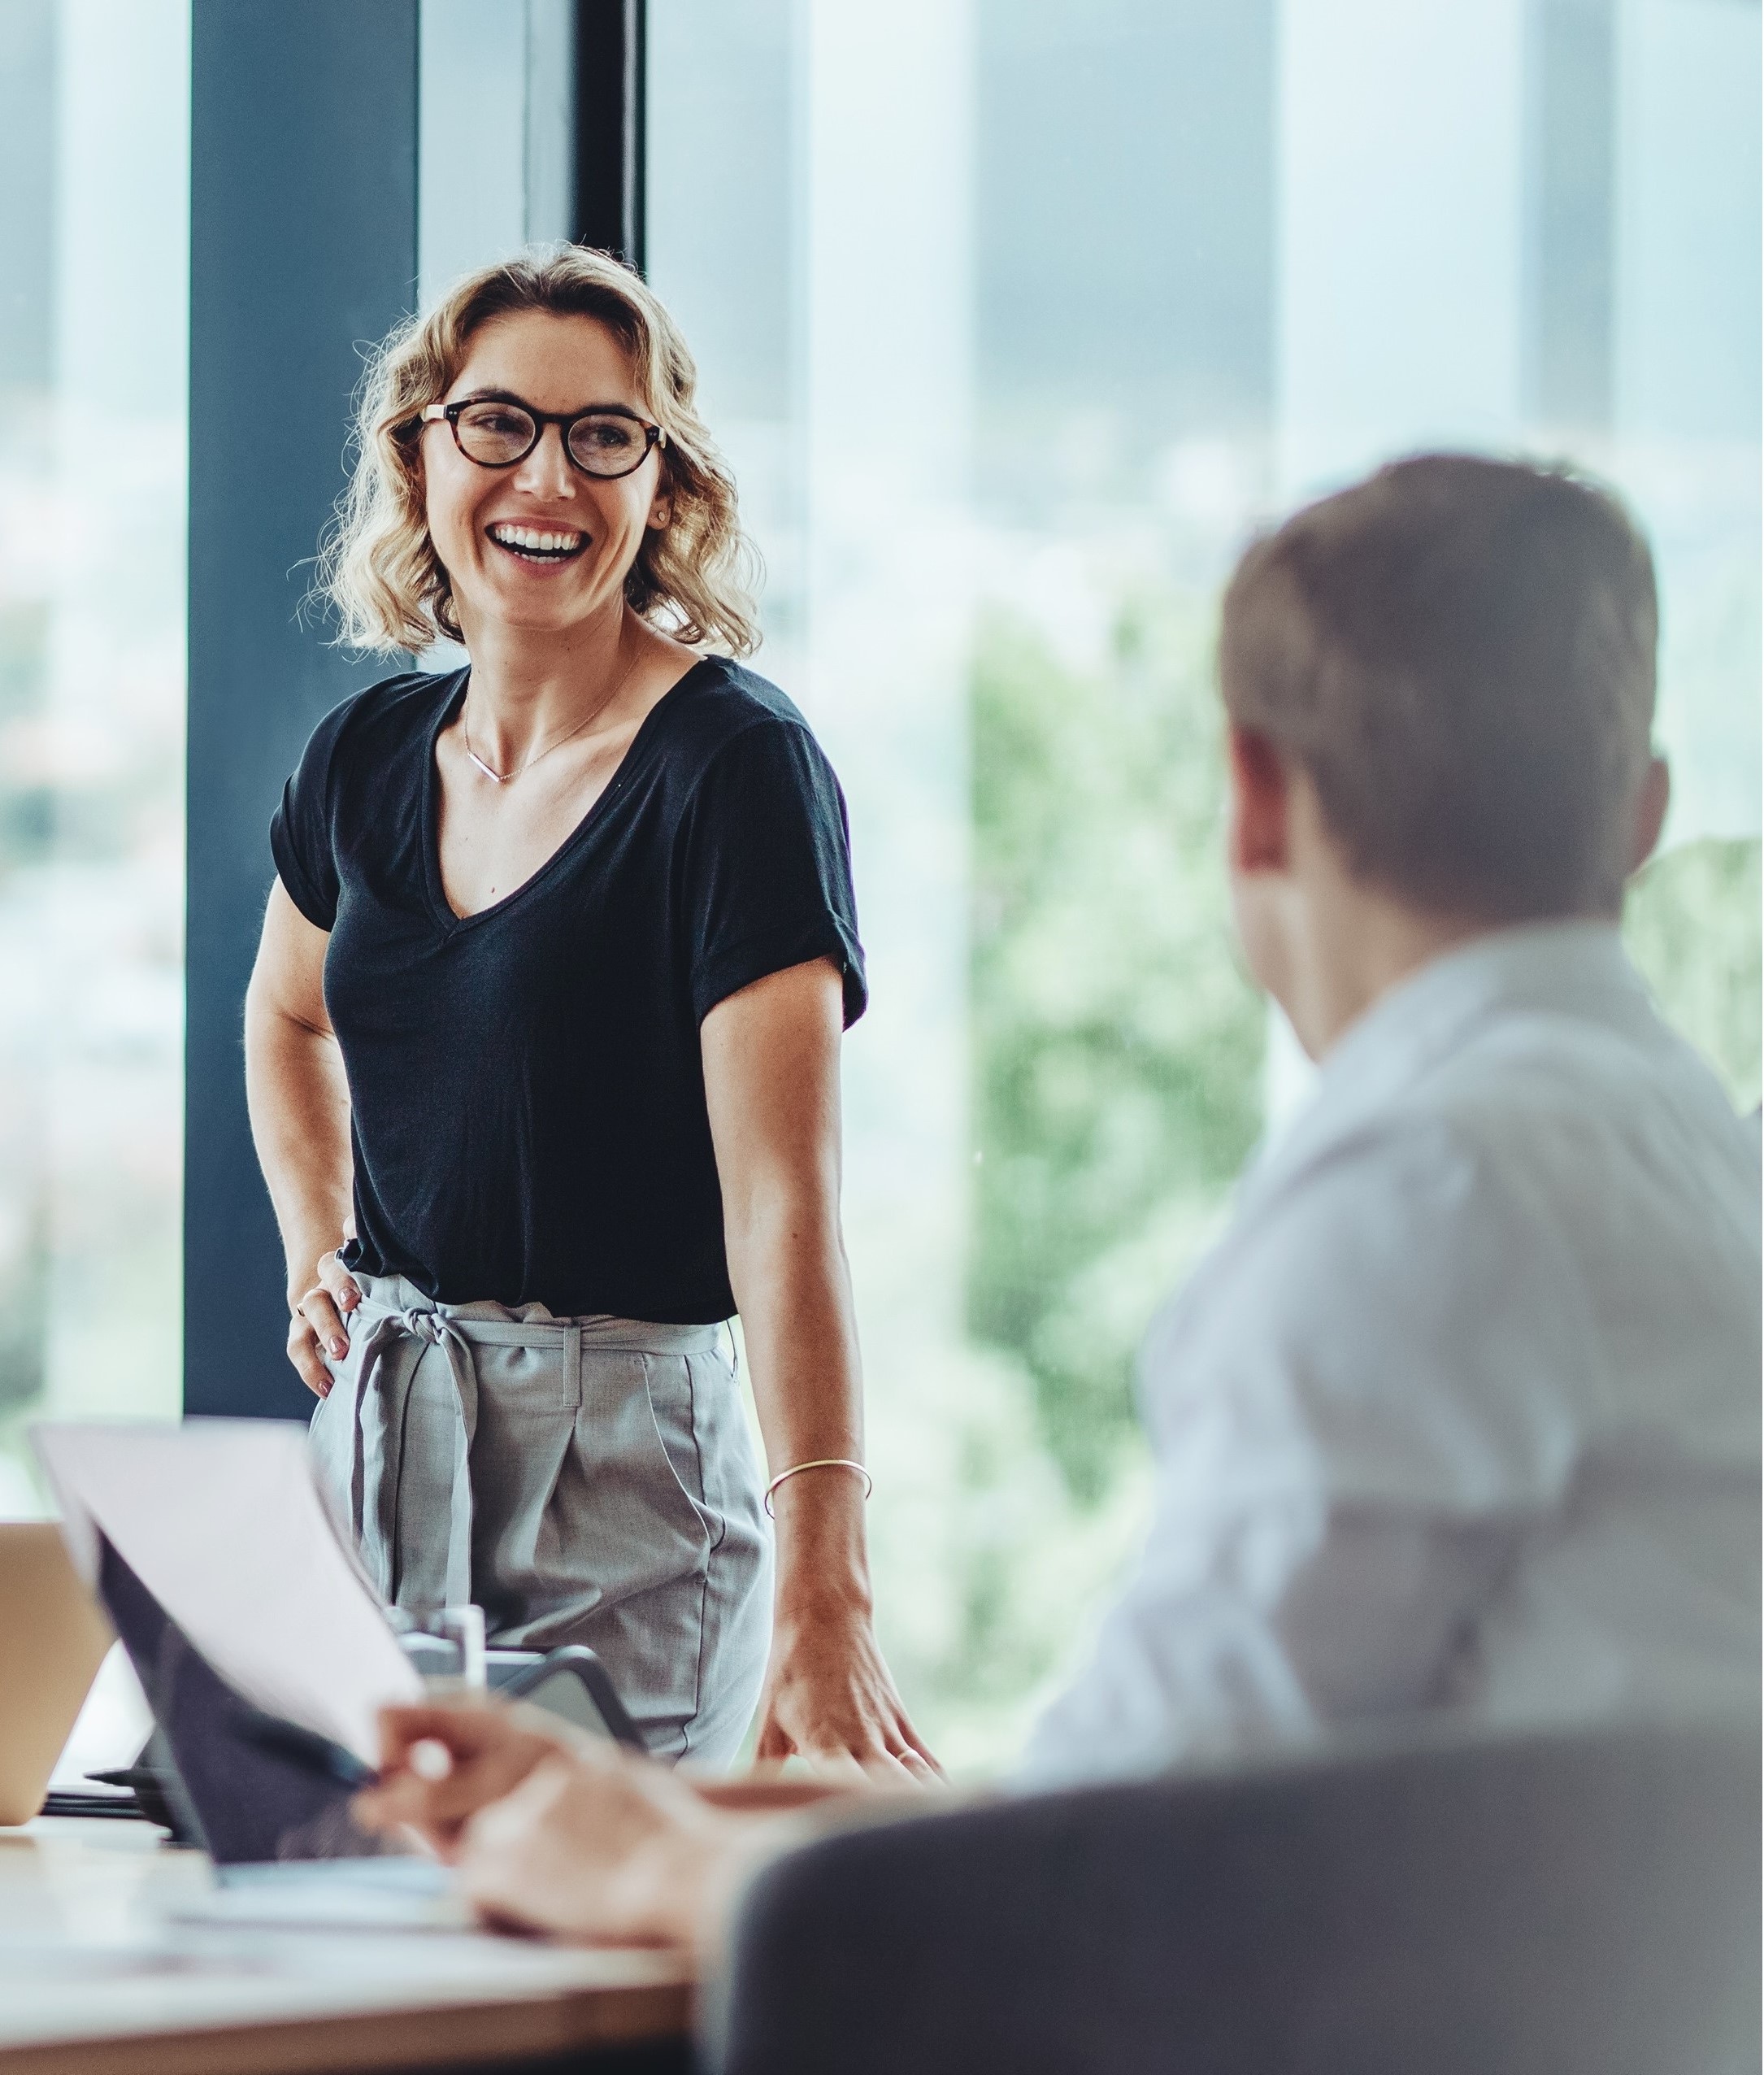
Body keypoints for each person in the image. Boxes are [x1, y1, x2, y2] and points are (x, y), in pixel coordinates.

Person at [354, 453, 1761, 1945]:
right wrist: (667, 1807)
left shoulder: (1427, 1197)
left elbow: (1109, 1880)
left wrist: (645, 1868)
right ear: (1641, 815)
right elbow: (1157, 1781)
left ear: (1256, 804)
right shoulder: (1694, 1159)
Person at [244, 246, 932, 1773]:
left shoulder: (734, 771)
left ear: (661, 482)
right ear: (421, 453)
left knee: (587, 1979)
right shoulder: (361, 758)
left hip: (623, 1473)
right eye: (497, 423)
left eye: (600, 434)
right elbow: (287, 1020)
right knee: (358, 1940)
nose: (543, 475)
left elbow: (785, 1212)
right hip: (377, 1439)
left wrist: (831, 1591)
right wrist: (315, 1244)